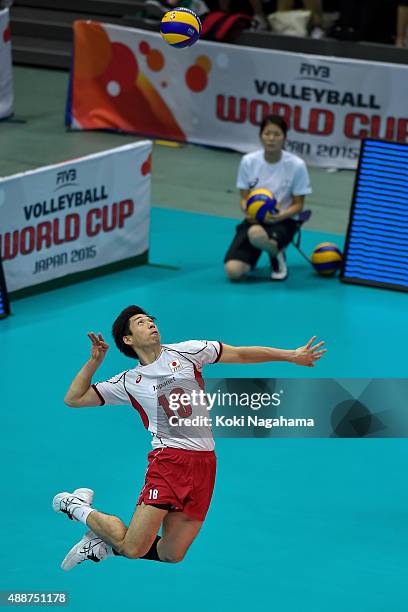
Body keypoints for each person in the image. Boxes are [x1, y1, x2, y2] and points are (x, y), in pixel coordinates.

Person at [53, 305, 326, 570]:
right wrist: (94, 362)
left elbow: (241, 354)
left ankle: (104, 545)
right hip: (169, 461)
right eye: (140, 322)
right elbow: (74, 398)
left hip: (205, 463)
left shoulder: (188, 352)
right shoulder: (128, 382)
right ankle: (75, 505)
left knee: (171, 554)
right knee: (134, 548)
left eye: (150, 319)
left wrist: (291, 355)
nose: (150, 323)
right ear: (128, 339)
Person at [224, 115, 312, 282]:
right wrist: (247, 210)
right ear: (260, 136)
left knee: (255, 234)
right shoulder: (248, 161)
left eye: (277, 134)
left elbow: (299, 205)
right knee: (233, 271)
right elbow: (244, 198)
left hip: (284, 219)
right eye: (267, 133)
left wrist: (280, 216)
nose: (271, 139)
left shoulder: (297, 165)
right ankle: (270, 249)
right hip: (256, 219)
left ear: (285, 137)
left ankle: (276, 254)